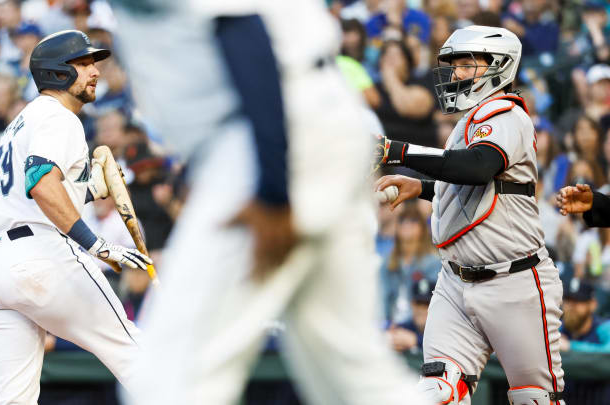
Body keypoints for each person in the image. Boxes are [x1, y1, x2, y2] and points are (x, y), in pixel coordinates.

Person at [116, 1, 427, 405]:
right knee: (352, 373)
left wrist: (273, 194)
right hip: (302, 121)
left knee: (172, 378)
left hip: (277, 129)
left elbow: (245, 31)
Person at [376, 25, 565, 404]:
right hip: (455, 283)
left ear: (499, 66)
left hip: (514, 281)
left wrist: (398, 150)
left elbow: (479, 167)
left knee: (533, 399)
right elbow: (478, 189)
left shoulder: (507, 114)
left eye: (466, 64)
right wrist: (424, 188)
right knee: (435, 393)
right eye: (455, 64)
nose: (456, 73)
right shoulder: (470, 121)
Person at [0, 30, 152, 404]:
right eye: (82, 64)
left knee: (11, 399)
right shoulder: (58, 116)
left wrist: (86, 189)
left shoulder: (21, 122)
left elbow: (37, 187)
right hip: (39, 258)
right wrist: (97, 244)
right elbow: (39, 181)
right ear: (57, 73)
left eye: (93, 63)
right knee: (138, 357)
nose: (94, 71)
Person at [387, 278, 436, 353]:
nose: (421, 309)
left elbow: (446, 344)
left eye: (426, 304)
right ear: (412, 304)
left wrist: (416, 340)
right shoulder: (404, 327)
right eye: (418, 303)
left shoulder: (442, 330)